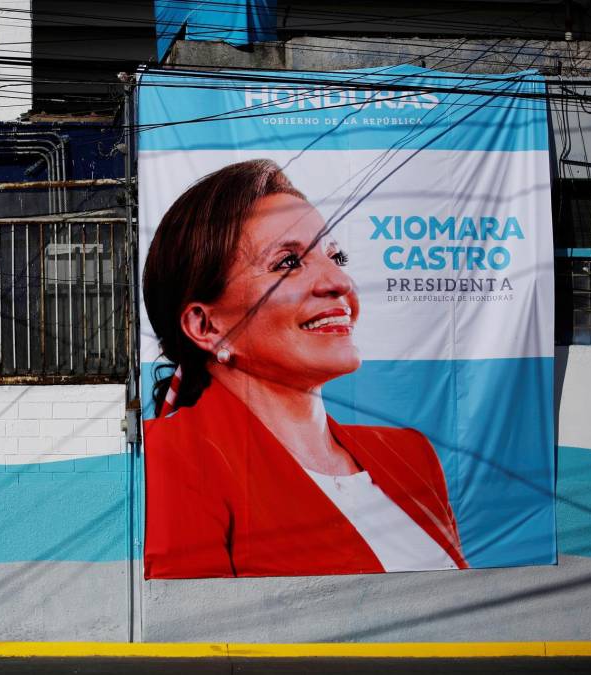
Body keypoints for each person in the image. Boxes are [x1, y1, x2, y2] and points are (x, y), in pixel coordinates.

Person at [142, 159, 467, 579]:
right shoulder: (172, 457)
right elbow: (197, 635)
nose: (338, 282)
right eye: (288, 263)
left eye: (336, 255)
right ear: (206, 326)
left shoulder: (410, 455)